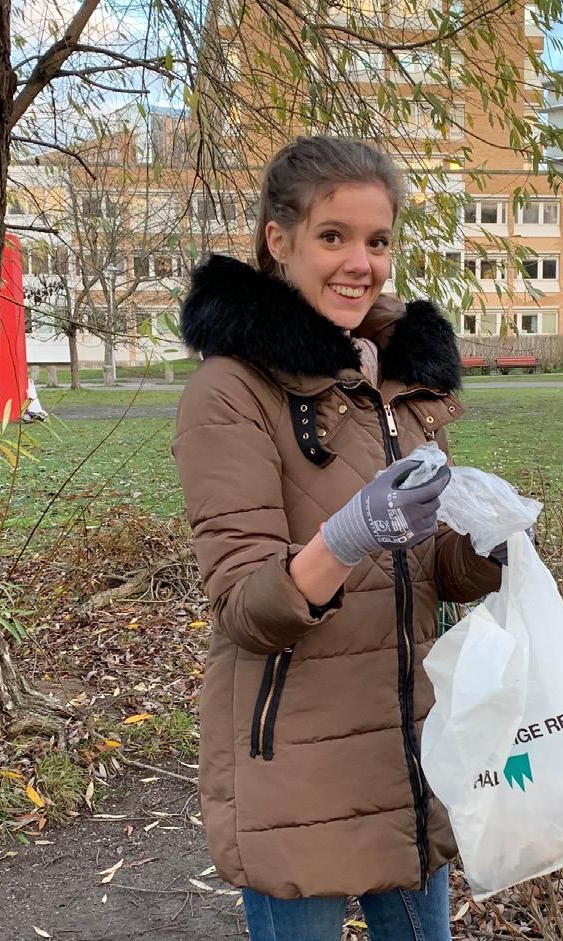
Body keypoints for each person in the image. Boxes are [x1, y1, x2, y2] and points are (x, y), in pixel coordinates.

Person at [171, 136, 507, 941]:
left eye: (378, 240)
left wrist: (487, 546)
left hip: (405, 752)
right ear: (278, 240)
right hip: (294, 769)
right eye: (334, 236)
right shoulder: (230, 390)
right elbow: (246, 607)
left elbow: (424, 565)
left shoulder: (398, 382)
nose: (362, 263)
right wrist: (350, 533)